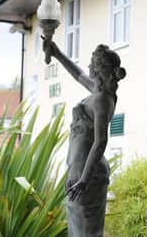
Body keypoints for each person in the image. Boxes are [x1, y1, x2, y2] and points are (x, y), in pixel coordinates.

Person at [44, 40, 126, 237]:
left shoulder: (102, 100)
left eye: (92, 63)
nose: (88, 66)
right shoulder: (98, 92)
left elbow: (100, 142)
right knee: (77, 231)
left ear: (99, 69)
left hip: (87, 176)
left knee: (86, 233)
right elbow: (78, 74)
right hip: (78, 171)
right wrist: (56, 52)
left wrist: (83, 179)